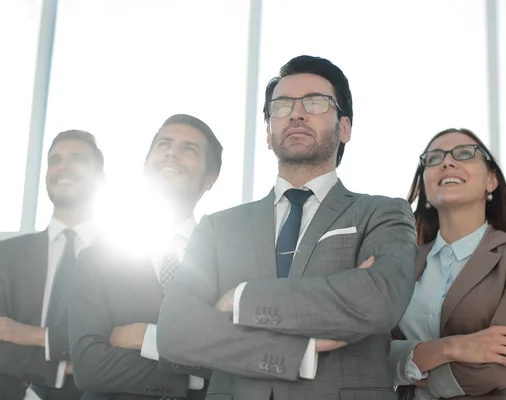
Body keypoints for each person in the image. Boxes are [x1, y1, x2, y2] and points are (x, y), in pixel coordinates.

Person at [156, 55, 418, 400]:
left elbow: (380, 298)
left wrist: (242, 299)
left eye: (315, 102)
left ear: (344, 128)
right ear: (268, 133)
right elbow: (176, 330)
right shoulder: (218, 227)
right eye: (281, 106)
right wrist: (295, 356)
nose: (296, 113)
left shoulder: (383, 213)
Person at [68, 114, 222, 399]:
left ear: (210, 179)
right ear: (146, 164)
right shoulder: (97, 257)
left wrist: (147, 338)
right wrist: (193, 375)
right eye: (164, 144)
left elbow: (240, 355)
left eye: (190, 149)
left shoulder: (228, 260)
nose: (172, 153)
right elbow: (89, 367)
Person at [390, 128, 506, 399]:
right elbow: (369, 355)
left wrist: (404, 370)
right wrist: (454, 347)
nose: (447, 162)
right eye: (434, 158)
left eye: (465, 154)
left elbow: (497, 368)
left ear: (491, 181)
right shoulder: (400, 261)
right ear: (426, 183)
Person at [0, 130, 105, 400]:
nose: (63, 167)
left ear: (100, 180)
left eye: (76, 158)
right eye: (54, 160)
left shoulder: (128, 262)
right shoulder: (6, 254)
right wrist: (57, 370)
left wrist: (35, 335)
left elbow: (115, 343)